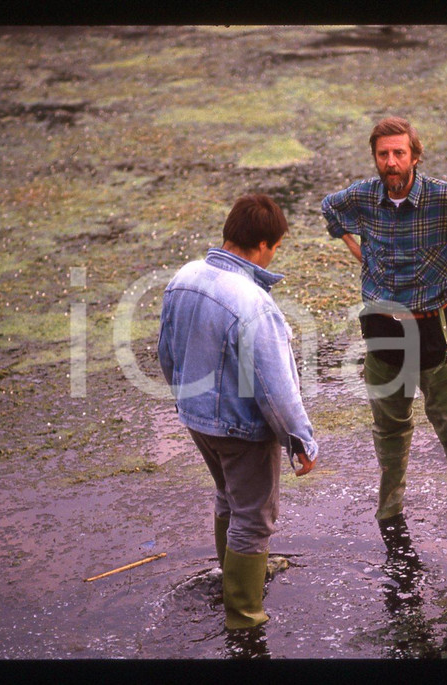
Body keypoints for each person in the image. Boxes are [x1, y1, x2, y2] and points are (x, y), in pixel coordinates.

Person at [321, 116, 447, 552]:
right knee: (388, 426)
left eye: (399, 153)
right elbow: (329, 208)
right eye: (383, 154)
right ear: (375, 157)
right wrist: (360, 251)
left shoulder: (443, 198)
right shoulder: (361, 196)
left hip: (433, 326)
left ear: (415, 155)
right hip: (379, 325)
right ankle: (390, 510)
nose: (391, 163)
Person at [158, 194, 318, 631]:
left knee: (227, 496)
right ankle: (245, 617)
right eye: (276, 247)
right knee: (254, 517)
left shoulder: (184, 277)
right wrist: (300, 439)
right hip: (242, 430)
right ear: (264, 245)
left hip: (196, 420)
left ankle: (229, 579)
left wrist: (184, 400)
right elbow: (276, 389)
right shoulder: (254, 305)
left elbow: (166, 352)